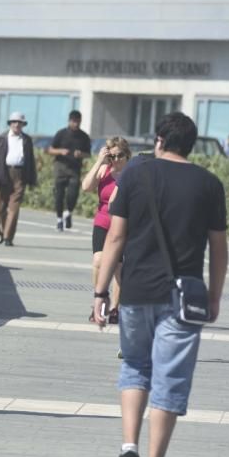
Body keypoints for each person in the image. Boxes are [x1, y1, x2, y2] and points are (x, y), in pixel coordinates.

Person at [94, 112, 227, 457]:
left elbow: (115, 239)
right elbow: (218, 250)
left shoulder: (136, 174)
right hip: (185, 296)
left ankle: (127, 450)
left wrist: (101, 293)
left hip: (136, 290)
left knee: (135, 366)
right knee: (171, 376)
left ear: (159, 141)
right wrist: (214, 296)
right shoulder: (209, 184)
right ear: (191, 144)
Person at [82, 136, 131, 326]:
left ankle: (115, 309)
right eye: (113, 156)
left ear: (127, 156)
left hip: (120, 224)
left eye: (120, 156)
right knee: (98, 260)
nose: (116, 160)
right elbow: (86, 187)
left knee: (118, 268)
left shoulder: (131, 174)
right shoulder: (104, 170)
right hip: (102, 221)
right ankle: (100, 300)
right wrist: (99, 162)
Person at [0, 112, 37, 246]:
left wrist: (32, 179)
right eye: (14, 122)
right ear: (10, 124)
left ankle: (8, 237)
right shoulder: (1, 139)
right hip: (3, 173)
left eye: (19, 122)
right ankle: (2, 229)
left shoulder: (26, 140)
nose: (17, 125)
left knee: (14, 208)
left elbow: (30, 160)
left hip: (20, 174)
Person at [48, 110, 91, 231]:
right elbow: (50, 149)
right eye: (74, 121)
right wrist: (60, 151)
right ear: (69, 121)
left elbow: (88, 154)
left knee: (73, 193)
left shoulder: (84, 137)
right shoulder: (61, 134)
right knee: (59, 194)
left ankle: (68, 212)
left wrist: (81, 154)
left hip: (75, 168)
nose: (76, 124)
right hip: (60, 167)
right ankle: (59, 219)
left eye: (78, 121)